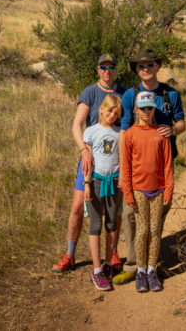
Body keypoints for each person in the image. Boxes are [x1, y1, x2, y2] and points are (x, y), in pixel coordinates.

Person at [113, 49, 186, 285]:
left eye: (150, 64)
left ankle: (152, 264)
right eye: (141, 65)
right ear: (136, 70)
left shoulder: (170, 94)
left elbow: (182, 123)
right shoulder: (130, 95)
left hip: (161, 160)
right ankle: (134, 266)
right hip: (136, 167)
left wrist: (172, 130)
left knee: (157, 220)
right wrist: (123, 170)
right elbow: (124, 131)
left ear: (157, 67)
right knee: (130, 216)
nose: (146, 68)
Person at [52, 53, 125, 273]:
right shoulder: (90, 92)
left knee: (115, 211)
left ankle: (112, 253)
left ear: (115, 70)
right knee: (77, 207)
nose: (107, 71)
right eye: (103, 67)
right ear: (97, 69)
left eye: (111, 67)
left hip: (113, 163)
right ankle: (69, 254)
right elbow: (77, 125)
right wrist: (84, 150)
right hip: (90, 159)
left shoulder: (123, 93)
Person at [122, 91, 173, 292]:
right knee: (142, 231)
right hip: (139, 191)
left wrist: (168, 191)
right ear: (136, 109)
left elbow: (168, 165)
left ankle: (152, 270)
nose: (146, 111)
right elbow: (126, 166)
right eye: (142, 108)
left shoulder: (161, 133)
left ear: (154, 109)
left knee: (155, 230)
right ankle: (141, 271)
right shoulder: (130, 134)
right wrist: (128, 192)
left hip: (159, 190)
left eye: (150, 108)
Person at [83, 94, 123, 291]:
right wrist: (87, 183)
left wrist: (123, 179)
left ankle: (108, 263)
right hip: (97, 181)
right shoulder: (91, 132)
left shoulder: (120, 132)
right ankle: (97, 269)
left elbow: (122, 158)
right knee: (96, 224)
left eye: (116, 113)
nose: (112, 115)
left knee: (112, 223)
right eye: (109, 110)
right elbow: (88, 160)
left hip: (114, 182)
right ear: (101, 109)